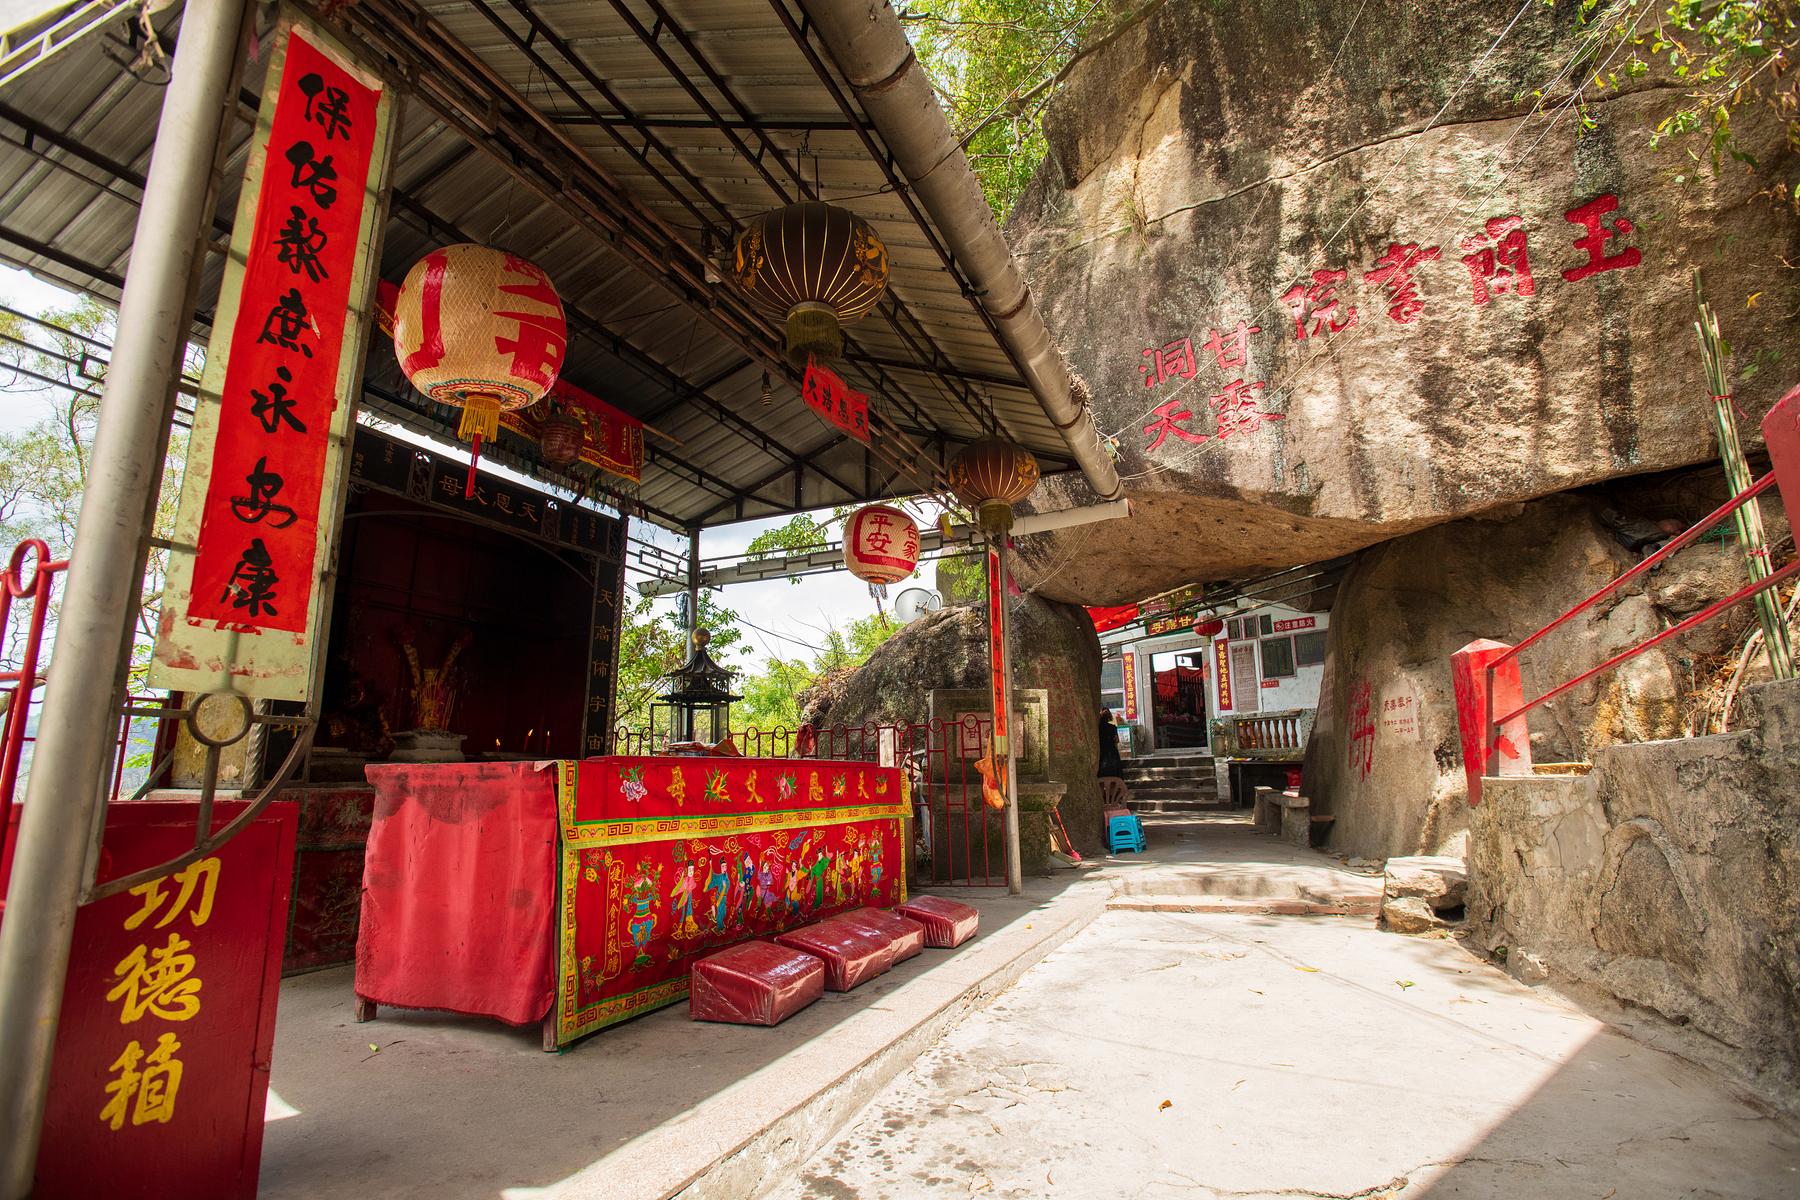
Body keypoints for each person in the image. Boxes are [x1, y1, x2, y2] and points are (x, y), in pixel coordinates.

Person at [1097, 708, 1124, 778]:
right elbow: (1117, 740)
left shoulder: (1097, 728)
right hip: (1112, 752)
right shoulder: (1112, 727)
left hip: (1101, 751)